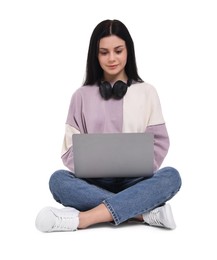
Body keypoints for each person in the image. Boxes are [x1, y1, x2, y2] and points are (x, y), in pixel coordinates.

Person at [35, 19, 182, 232]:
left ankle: (84, 219)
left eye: (118, 50)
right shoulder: (81, 96)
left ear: (128, 51)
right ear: (95, 55)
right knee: (58, 181)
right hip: (93, 183)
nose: (111, 58)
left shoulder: (147, 92)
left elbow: (159, 144)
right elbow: (68, 150)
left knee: (172, 176)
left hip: (136, 181)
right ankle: (142, 213)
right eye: (104, 52)